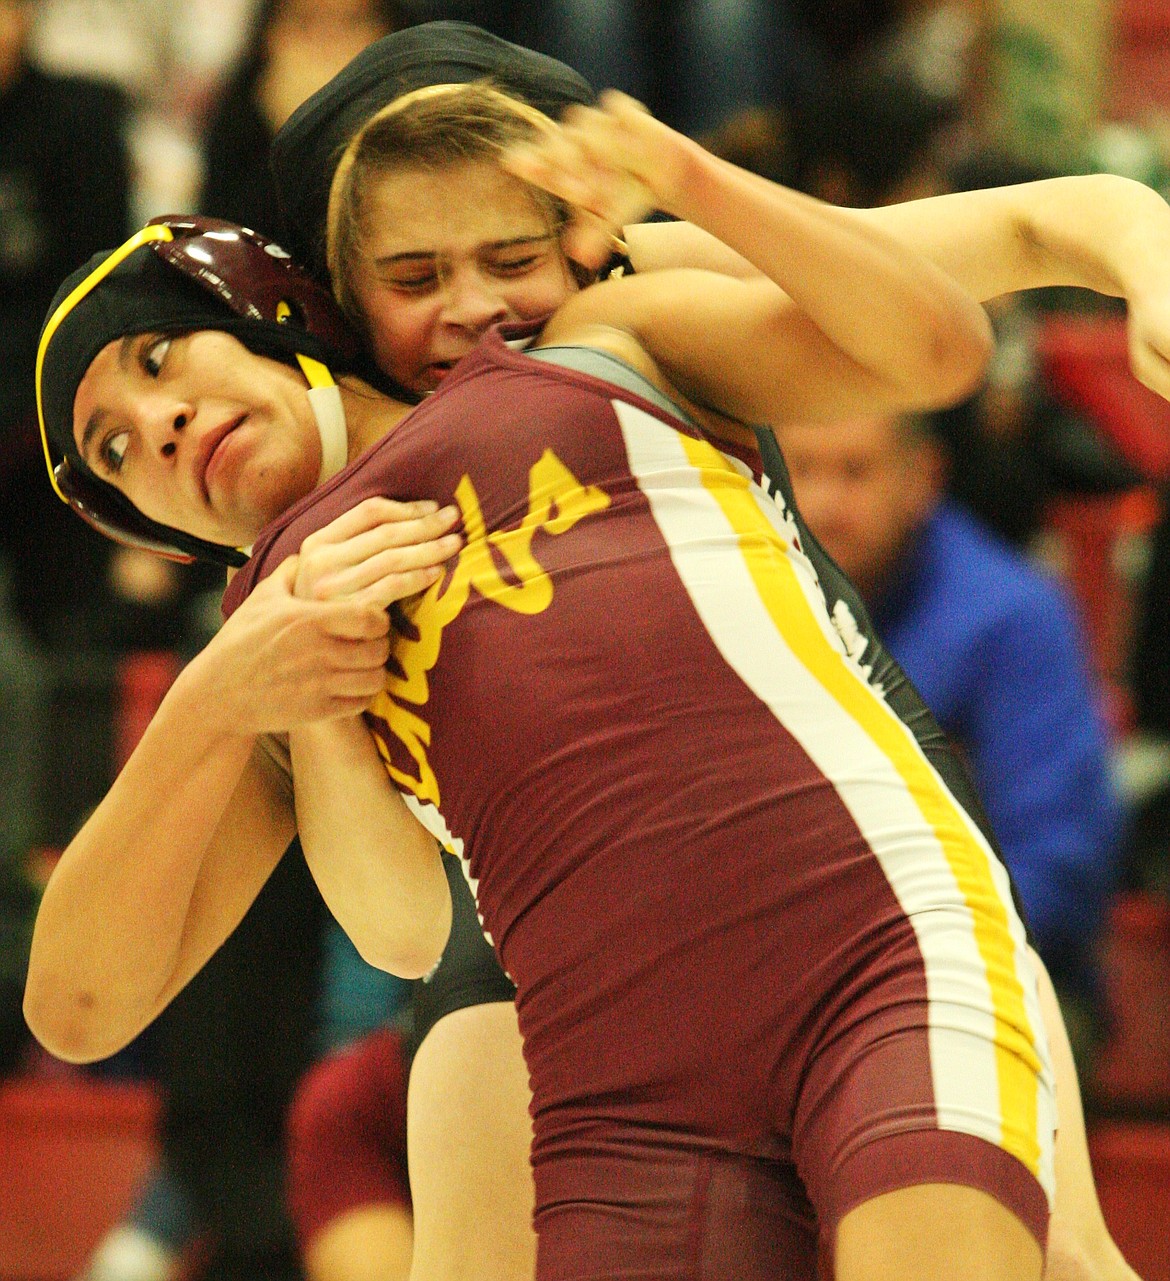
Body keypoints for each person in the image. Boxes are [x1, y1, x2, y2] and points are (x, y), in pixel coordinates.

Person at [776, 410, 1123, 1065]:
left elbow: (1060, 864)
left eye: (854, 471)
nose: (823, 502)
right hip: (783, 983)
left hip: (996, 987)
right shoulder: (738, 596)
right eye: (802, 470)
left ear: (922, 477)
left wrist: (886, 973)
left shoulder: (1012, 616)